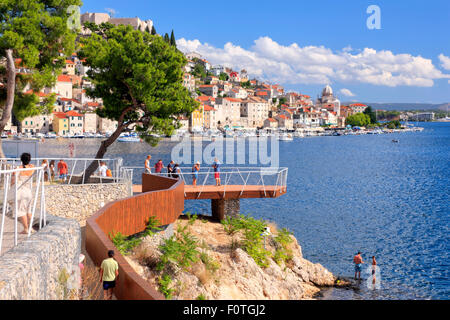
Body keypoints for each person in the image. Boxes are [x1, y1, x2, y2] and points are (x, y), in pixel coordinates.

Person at [12, 153, 35, 234]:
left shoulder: (18, 168)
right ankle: (30, 228)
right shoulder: (32, 168)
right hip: (29, 191)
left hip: (21, 192)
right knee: (28, 211)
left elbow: (13, 180)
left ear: (21, 159)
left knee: (21, 211)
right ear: (29, 159)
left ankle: (26, 229)